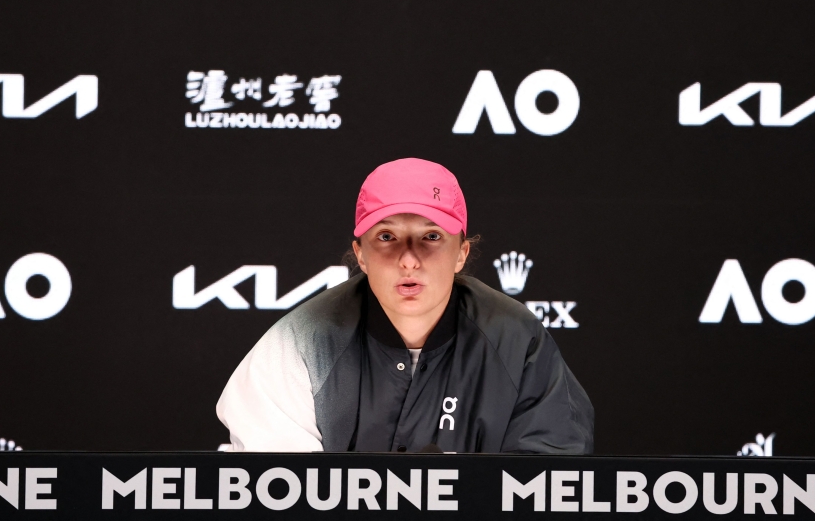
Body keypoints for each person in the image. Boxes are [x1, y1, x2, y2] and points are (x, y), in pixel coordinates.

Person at [216, 158, 593, 453]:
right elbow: (277, 494)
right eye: (387, 236)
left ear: (462, 253)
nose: (409, 259)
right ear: (360, 255)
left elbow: (548, 486)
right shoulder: (298, 344)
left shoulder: (516, 339)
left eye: (430, 236)